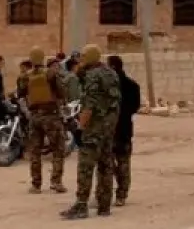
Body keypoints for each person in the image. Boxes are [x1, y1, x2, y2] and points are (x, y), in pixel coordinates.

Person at [60, 45, 120, 220]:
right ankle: (104, 205)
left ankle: (81, 205)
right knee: (105, 165)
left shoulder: (92, 75)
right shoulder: (111, 73)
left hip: (94, 128)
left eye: (84, 56)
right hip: (108, 127)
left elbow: (89, 105)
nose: (81, 59)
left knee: (85, 166)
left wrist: (81, 126)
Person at [19, 48, 68, 194]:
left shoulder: (25, 76)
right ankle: (56, 182)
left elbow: (21, 93)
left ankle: (36, 185)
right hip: (51, 115)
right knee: (58, 149)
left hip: (34, 116)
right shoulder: (51, 73)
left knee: (35, 152)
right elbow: (61, 92)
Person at [107, 54, 143, 207]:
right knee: (123, 163)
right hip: (125, 128)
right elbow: (135, 107)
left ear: (113, 67)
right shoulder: (133, 86)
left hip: (110, 129)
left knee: (107, 163)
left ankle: (106, 194)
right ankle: (121, 194)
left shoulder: (108, 86)